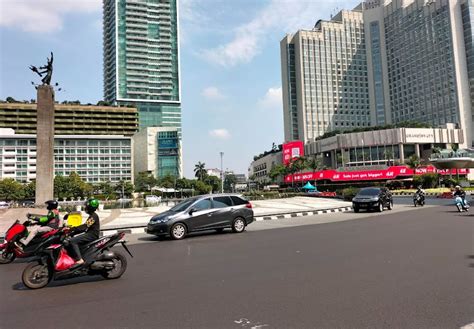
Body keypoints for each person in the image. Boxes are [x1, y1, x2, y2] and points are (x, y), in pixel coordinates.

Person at [68, 198, 100, 265]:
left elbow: (85, 227)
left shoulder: (93, 216)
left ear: (90, 207)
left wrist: (72, 229)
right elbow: (85, 228)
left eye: (86, 206)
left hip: (92, 235)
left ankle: (80, 259)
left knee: (73, 241)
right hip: (90, 233)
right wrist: (73, 232)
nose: (85, 207)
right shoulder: (92, 216)